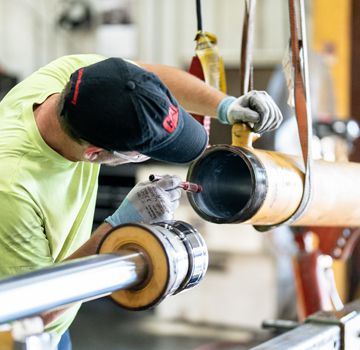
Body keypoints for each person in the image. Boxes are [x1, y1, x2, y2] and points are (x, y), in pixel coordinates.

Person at [0, 54, 282, 349]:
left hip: (60, 320)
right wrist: (118, 226)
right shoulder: (12, 190)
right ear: (95, 153)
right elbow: (29, 313)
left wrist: (225, 106)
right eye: (143, 152)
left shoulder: (76, 78)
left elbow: (146, 78)